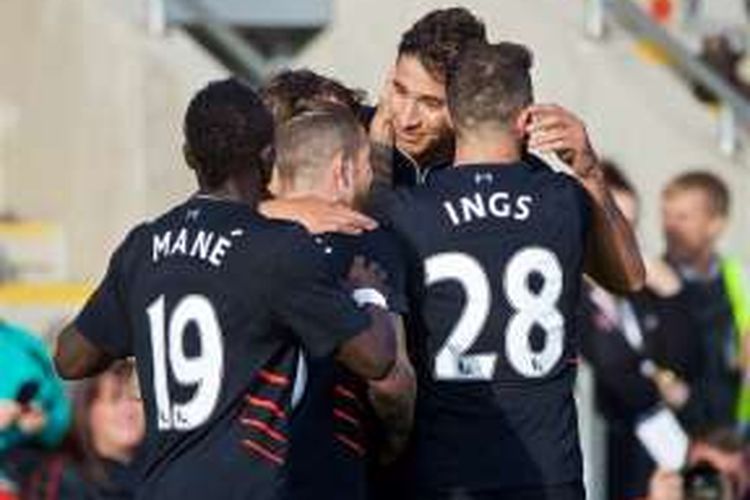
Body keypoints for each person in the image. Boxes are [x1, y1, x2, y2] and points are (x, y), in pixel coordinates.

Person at [53, 78, 397, 500]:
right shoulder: (276, 249)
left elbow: (70, 359)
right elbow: (376, 359)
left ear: (188, 157)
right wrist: (368, 292)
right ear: (269, 157)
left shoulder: (144, 246)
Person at [371, 41, 644, 499]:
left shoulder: (407, 211)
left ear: (453, 117)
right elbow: (630, 278)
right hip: (547, 472)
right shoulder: (563, 200)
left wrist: (380, 155)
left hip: (446, 472)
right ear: (526, 121)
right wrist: (590, 168)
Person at [269, 104, 415, 500]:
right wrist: (395, 441)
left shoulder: (245, 240)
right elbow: (391, 382)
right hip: (328, 473)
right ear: (343, 172)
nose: (372, 176)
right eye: (368, 164)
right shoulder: (367, 241)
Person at [579, 161, 698, 499]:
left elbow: (687, 360)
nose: (623, 237)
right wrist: (664, 387)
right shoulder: (567, 294)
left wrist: (672, 291)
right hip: (605, 464)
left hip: (655, 465)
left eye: (631, 226)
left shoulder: (638, 294)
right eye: (614, 222)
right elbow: (612, 378)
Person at [662, 171, 750, 433]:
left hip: (734, 441)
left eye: (683, 217)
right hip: (673, 445)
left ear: (716, 225)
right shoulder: (649, 283)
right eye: (666, 215)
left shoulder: (740, 280)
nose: (670, 226)